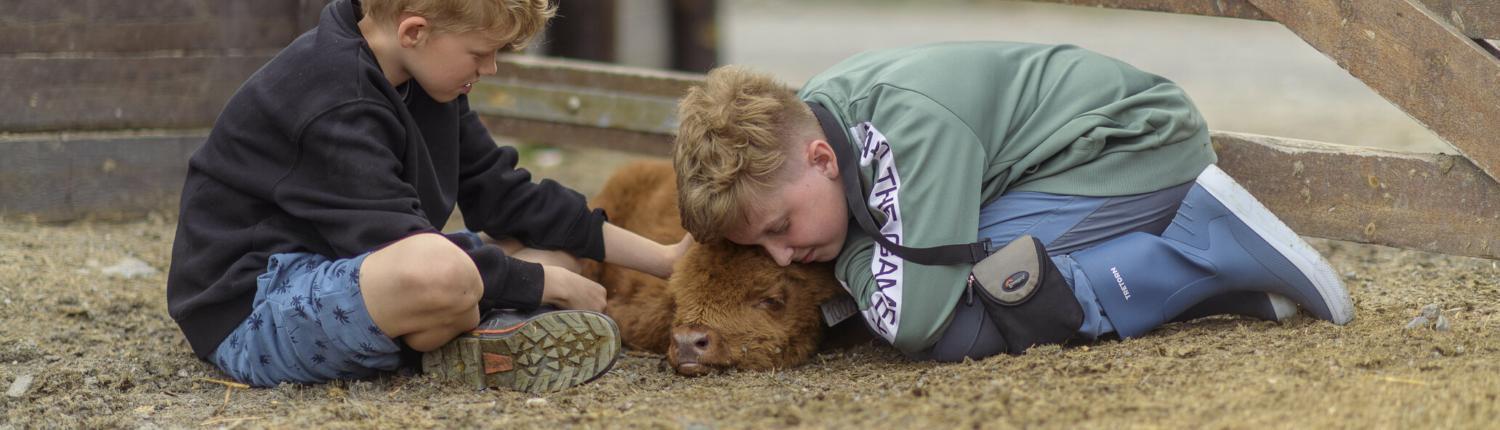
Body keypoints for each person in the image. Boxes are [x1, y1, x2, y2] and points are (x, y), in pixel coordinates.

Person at [671, 41, 1353, 361]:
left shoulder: (902, 128)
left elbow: (913, 319)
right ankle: (1219, 290)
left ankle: (1207, 248)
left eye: (780, 228)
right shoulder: (814, 128)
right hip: (1062, 171)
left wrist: (855, 252)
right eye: (760, 247)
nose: (784, 256)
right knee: (956, 286)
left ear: (821, 160)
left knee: (967, 317)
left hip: (1129, 152)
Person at [167, 0, 689, 391]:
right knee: (448, 274)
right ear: (415, 30)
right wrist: (537, 281)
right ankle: (481, 330)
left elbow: (508, 196)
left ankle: (476, 335)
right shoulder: (332, 95)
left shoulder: (426, 77)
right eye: (481, 53)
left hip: (350, 268)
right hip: (255, 309)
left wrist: (667, 260)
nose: (490, 69)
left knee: (563, 256)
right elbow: (400, 244)